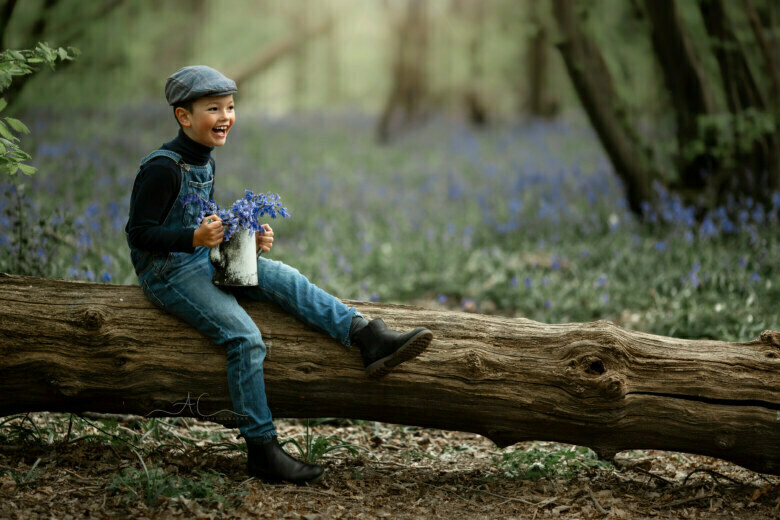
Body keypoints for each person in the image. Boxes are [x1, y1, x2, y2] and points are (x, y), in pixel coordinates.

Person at [125, 65, 433, 485]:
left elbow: (199, 223)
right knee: (244, 338)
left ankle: (366, 337)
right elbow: (140, 234)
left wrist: (241, 243)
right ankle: (261, 449)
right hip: (166, 272)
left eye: (230, 107)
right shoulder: (162, 168)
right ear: (183, 116)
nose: (226, 116)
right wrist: (195, 237)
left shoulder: (205, 161)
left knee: (283, 277)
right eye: (213, 108)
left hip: (197, 256)